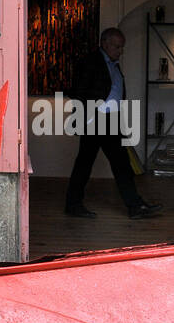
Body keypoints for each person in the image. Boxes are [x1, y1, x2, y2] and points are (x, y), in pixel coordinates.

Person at [65, 28, 162, 219]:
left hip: (111, 120)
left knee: (121, 164)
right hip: (95, 120)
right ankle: (73, 205)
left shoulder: (113, 64)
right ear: (105, 43)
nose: (120, 50)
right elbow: (77, 90)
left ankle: (135, 206)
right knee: (85, 164)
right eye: (117, 46)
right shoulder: (90, 61)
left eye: (122, 47)